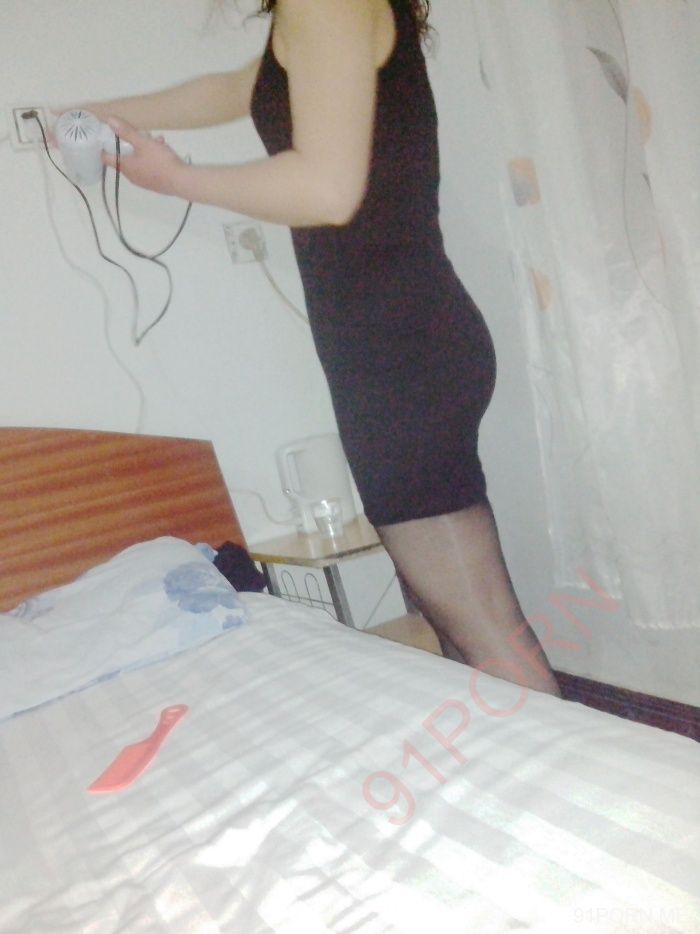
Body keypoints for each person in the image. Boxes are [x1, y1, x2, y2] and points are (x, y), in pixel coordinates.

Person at [80, 0, 561, 698]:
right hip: (400, 342)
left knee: (483, 627)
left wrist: (176, 178)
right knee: (461, 622)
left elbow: (328, 192)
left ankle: (568, 763)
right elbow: (234, 88)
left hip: (398, 350)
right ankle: (514, 760)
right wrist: (95, 114)